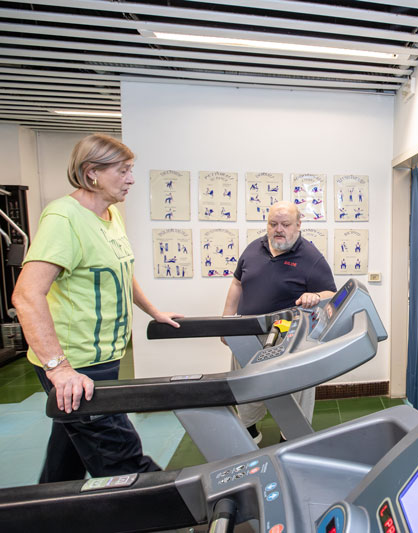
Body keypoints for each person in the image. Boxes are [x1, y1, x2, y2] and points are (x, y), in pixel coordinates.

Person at [11, 134, 183, 483]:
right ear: (92, 172)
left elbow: (121, 270)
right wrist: (60, 370)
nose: (131, 179)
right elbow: (27, 295)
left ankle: (49, 507)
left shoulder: (109, 215)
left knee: (68, 454)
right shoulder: (64, 218)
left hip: (105, 355)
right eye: (123, 171)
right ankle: (174, 504)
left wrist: (153, 311)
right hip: (75, 363)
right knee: (122, 457)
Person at [222, 201, 336, 443]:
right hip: (248, 333)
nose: (278, 229)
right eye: (273, 224)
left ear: (298, 224)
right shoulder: (254, 248)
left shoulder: (311, 257)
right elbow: (237, 284)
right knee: (246, 385)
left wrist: (315, 296)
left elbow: (331, 294)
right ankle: (250, 430)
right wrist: (226, 322)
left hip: (289, 336)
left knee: (296, 389)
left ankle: (290, 437)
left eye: (285, 224)